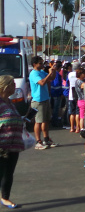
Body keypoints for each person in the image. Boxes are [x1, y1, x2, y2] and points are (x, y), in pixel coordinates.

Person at [0, 76, 26, 209]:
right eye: (12, 84)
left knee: (8, 173)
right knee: (2, 173)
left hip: (14, 144)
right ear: (5, 86)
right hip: (2, 145)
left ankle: (5, 198)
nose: (15, 87)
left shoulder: (10, 102)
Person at [28, 56, 58, 150]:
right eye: (40, 63)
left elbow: (51, 78)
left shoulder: (41, 72)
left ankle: (46, 139)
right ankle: (38, 141)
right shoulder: (34, 74)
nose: (42, 65)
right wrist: (49, 74)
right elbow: (42, 82)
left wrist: (53, 71)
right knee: (38, 121)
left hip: (45, 99)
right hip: (38, 101)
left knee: (46, 120)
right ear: (34, 64)